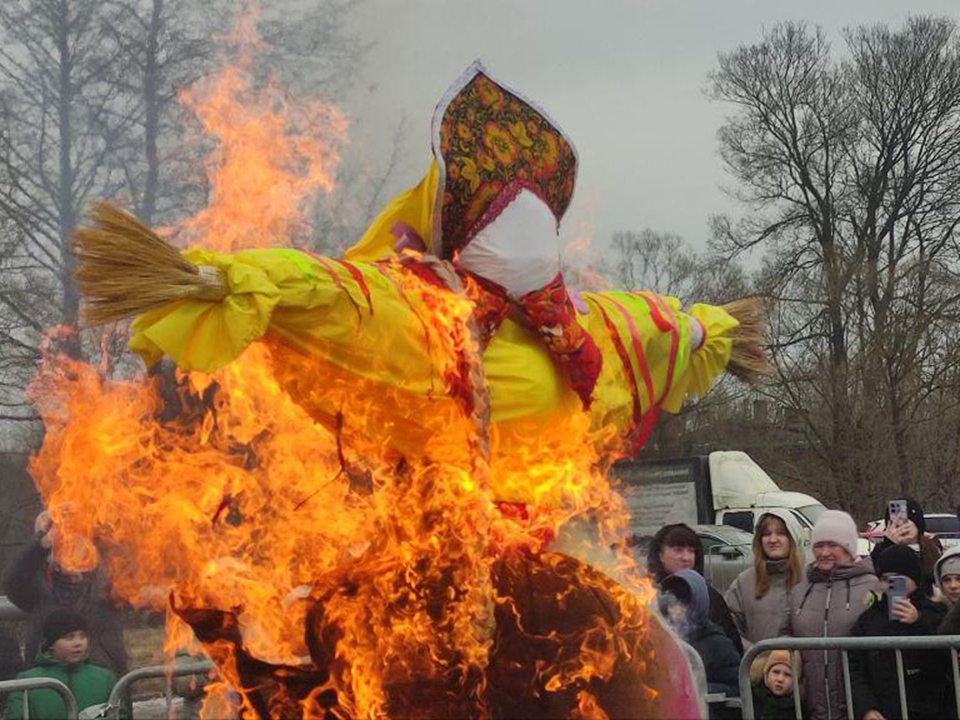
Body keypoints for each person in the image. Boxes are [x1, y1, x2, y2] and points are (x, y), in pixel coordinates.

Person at [2, 511, 129, 676]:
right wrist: (39, 546)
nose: (70, 546)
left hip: (105, 687)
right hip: (48, 687)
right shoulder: (35, 587)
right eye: (61, 541)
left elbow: (142, 587)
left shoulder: (108, 579)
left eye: (77, 537)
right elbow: (12, 581)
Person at [783, 509, 879, 720]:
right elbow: (784, 634)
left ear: (848, 548)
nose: (824, 552)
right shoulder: (799, 590)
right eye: (819, 545)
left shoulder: (873, 587)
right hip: (810, 710)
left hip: (859, 709)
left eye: (832, 545)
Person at [849, 545, 947, 720]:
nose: (892, 585)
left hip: (928, 709)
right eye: (886, 579)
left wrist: (918, 622)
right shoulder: (868, 619)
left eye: (899, 579)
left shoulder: (934, 612)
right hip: (884, 709)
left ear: (915, 580)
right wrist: (867, 707)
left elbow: (943, 658)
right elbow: (855, 668)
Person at [647, 523, 744, 653]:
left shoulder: (709, 596)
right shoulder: (645, 593)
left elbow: (732, 645)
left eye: (691, 551)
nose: (686, 558)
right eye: (678, 550)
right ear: (660, 555)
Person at [5, 608, 117, 720]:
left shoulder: (105, 678)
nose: (78, 643)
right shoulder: (28, 681)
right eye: (69, 637)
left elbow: (119, 714)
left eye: (82, 636)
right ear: (51, 644)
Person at [659, 569, 741, 703]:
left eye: (684, 603)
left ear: (698, 603)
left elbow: (738, 688)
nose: (676, 610)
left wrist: (700, 689)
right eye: (672, 602)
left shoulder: (717, 643)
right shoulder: (660, 637)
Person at [725, 510, 804, 648]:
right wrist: (756, 656)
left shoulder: (809, 580)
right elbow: (729, 628)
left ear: (792, 538)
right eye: (767, 534)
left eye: (781, 533)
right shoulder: (743, 583)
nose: (773, 540)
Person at [870, 497, 941, 594]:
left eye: (906, 522)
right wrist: (892, 547)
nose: (901, 527)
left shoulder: (932, 549)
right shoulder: (880, 551)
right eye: (895, 524)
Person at [750, 649, 803, 720]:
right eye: (775, 672)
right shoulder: (752, 697)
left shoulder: (800, 706)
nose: (780, 679)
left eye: (787, 675)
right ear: (766, 674)